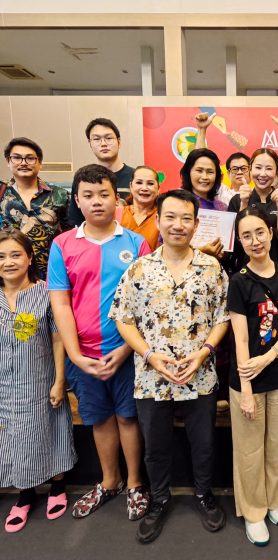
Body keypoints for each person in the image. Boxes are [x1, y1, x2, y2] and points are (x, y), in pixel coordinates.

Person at [110, 189, 230, 543]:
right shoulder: (139, 268)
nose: (178, 225)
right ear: (159, 221)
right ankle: (159, 499)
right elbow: (123, 319)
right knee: (156, 446)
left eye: (186, 218)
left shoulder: (212, 268)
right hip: (152, 377)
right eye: (171, 217)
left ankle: (204, 495)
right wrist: (149, 355)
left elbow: (222, 318)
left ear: (196, 223)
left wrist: (204, 352)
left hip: (200, 374)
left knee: (203, 443)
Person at [48, 164, 151, 521]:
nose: (97, 202)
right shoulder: (62, 245)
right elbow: (60, 303)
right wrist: (75, 355)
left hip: (127, 353)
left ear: (116, 199)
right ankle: (110, 481)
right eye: (88, 195)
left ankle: (135, 483)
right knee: (99, 419)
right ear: (77, 200)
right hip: (84, 356)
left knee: (128, 418)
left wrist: (126, 349)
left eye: (104, 194)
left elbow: (145, 304)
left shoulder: (136, 243)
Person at [227, 207, 278, 546]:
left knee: (274, 444)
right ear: (240, 241)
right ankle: (253, 510)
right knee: (249, 449)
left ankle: (272, 498)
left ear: (271, 232)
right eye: (246, 235)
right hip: (248, 379)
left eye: (260, 232)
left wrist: (270, 356)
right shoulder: (239, 281)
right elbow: (240, 339)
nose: (255, 240)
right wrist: (245, 389)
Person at [0, 229, 76, 532]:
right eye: (1, 256)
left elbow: (58, 338)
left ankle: (57, 487)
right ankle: (25, 494)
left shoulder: (45, 292)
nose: (8, 262)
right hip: (4, 385)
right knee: (14, 439)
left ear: (30, 258)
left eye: (15, 255)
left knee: (49, 431)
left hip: (40, 379)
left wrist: (59, 380)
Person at [1, 137, 69, 279]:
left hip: (50, 276)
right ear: (8, 161)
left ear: (40, 163)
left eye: (30, 158)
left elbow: (69, 236)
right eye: (17, 158)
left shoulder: (59, 195)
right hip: (7, 276)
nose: (23, 163)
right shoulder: (1, 192)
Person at [194, 111, 278, 206]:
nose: (240, 172)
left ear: (251, 170)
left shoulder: (263, 190)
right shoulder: (221, 193)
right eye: (235, 169)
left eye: (244, 168)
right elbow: (200, 161)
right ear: (228, 173)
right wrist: (202, 130)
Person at [228, 148, 278, 273]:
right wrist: (244, 203)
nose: (263, 174)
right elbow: (235, 242)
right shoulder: (237, 200)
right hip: (246, 272)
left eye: (269, 168)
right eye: (258, 167)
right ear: (250, 169)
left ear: (277, 172)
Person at [68, 117, 135, 226]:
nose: (103, 143)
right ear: (90, 143)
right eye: (96, 139)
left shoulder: (136, 177)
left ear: (119, 142)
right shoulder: (82, 179)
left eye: (108, 138)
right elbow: (76, 220)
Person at [116, 166, 160, 251]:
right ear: (130, 186)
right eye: (139, 183)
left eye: (150, 184)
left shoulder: (163, 217)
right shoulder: (116, 214)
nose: (144, 188)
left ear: (158, 189)